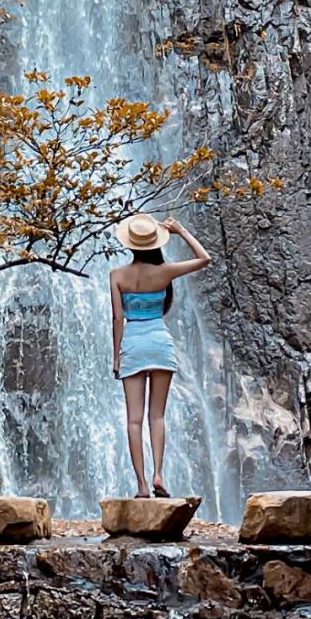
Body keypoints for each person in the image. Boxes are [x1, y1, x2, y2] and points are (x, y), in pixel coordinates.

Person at [109, 212, 211, 498]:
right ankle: (158, 475)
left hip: (132, 344)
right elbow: (205, 258)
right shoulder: (166, 271)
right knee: (157, 416)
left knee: (134, 420)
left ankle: (142, 485)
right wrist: (181, 230)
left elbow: (117, 319)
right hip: (160, 343)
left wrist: (116, 357)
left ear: (129, 244)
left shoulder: (117, 275)